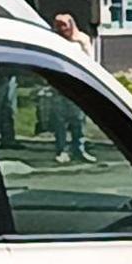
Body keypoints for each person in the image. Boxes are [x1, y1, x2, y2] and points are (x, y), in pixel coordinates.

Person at [47, 13, 94, 163]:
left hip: (78, 84)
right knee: (60, 121)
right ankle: (61, 150)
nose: (62, 29)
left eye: (64, 25)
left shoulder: (81, 40)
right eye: (58, 25)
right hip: (60, 85)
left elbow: (90, 61)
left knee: (78, 120)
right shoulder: (53, 40)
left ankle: (79, 149)